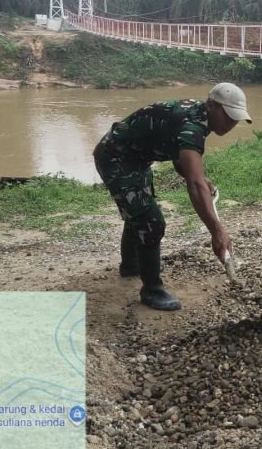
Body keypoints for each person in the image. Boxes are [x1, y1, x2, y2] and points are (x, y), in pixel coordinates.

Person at [92, 82, 252, 310]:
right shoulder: (193, 125)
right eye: (228, 116)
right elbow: (195, 186)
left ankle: (131, 266)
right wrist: (217, 231)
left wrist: (195, 176)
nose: (231, 124)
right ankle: (152, 290)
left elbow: (180, 156)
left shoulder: (197, 115)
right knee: (150, 221)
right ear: (212, 105)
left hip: (136, 159)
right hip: (115, 157)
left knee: (139, 211)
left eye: (235, 118)